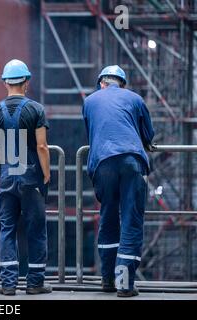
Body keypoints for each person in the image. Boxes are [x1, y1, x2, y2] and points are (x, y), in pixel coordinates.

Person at [82, 65, 155, 297]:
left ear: (102, 83)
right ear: (122, 84)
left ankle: (107, 280)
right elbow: (148, 135)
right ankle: (125, 284)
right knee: (131, 219)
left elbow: (92, 132)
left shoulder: (90, 101)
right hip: (131, 160)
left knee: (108, 216)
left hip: (102, 162)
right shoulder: (135, 99)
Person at [0, 59, 51, 296]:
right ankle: (35, 283)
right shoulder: (36, 109)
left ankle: (8, 284)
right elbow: (42, 146)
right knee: (36, 229)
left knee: (7, 229)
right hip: (31, 178)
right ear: (27, 83)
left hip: (6, 178)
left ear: (5, 83)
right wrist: (46, 174)